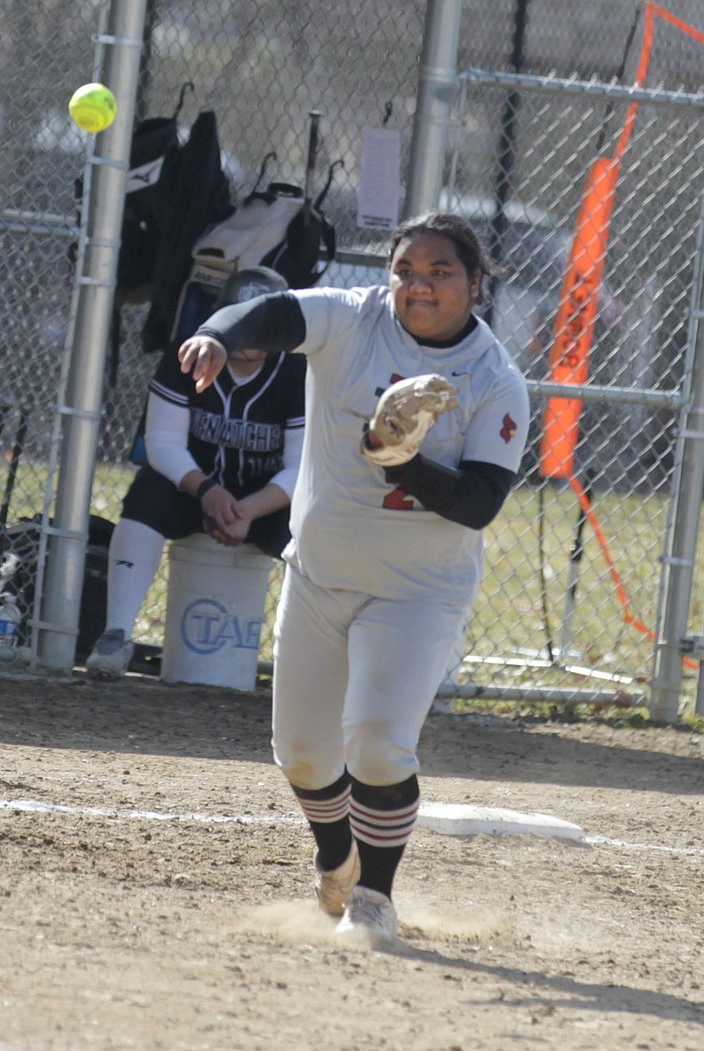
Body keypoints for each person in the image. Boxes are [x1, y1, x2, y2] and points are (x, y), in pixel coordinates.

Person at [177, 211, 530, 948]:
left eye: (441, 272)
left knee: (376, 742)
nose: (419, 285)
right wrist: (220, 333)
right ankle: (337, 861)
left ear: (474, 283)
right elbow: (270, 312)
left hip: (418, 590)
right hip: (321, 574)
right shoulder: (354, 317)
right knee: (303, 751)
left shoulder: (496, 378)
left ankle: (374, 898)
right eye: (407, 270)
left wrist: (399, 457)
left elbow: (478, 503)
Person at [86, 266, 307, 678]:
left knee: (315, 526)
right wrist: (208, 492)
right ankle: (115, 634)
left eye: (260, 326)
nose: (250, 337)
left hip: (266, 501)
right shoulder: (188, 354)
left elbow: (302, 466)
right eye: (241, 322)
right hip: (194, 490)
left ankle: (310, 662)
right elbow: (162, 445)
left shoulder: (297, 372)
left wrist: (249, 510)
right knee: (146, 495)